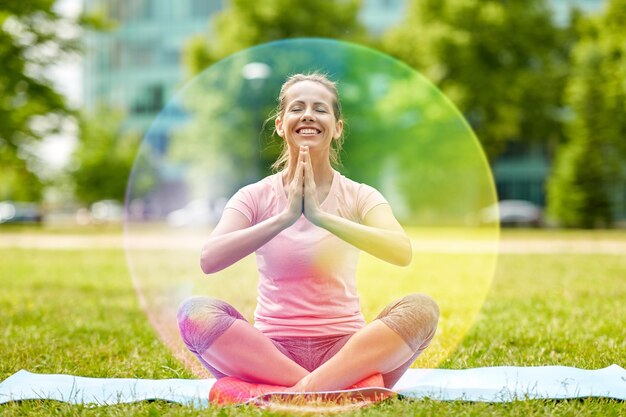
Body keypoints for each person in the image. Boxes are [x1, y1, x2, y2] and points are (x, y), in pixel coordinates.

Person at [177, 72, 439, 399]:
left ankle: (286, 393)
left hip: (347, 354)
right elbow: (209, 259)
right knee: (194, 313)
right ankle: (342, 393)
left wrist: (321, 217)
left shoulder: (359, 195)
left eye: (320, 108)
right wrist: (285, 217)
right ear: (280, 123)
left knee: (421, 310)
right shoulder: (253, 196)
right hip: (271, 354)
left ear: (338, 127)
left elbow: (401, 251)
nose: (308, 114)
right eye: (297, 107)